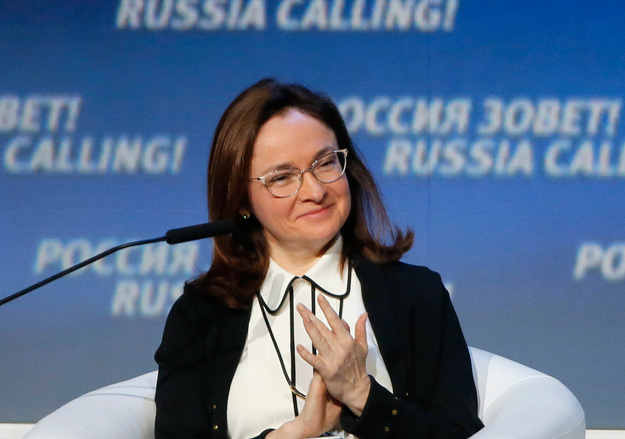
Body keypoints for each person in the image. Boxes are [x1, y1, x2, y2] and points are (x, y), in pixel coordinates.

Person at [154, 78, 484, 439]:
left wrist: (363, 396)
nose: (315, 191)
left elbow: (461, 433)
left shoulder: (416, 295)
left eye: (325, 163)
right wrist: (294, 434)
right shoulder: (200, 317)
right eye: (282, 177)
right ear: (242, 199)